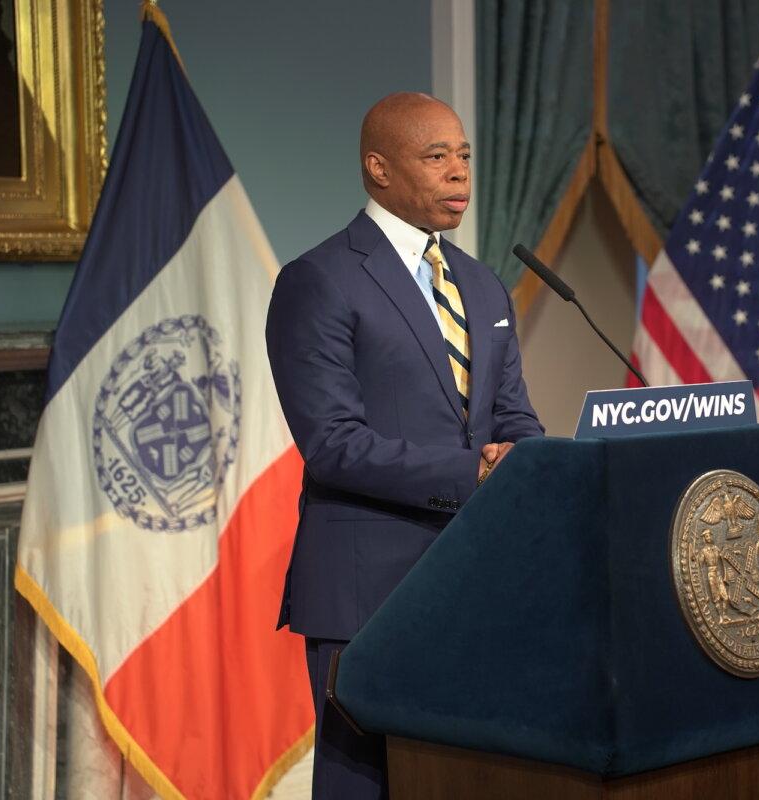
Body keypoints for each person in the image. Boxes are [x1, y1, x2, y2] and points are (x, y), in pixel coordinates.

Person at [265, 92, 544, 799]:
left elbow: (513, 419)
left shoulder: (482, 286)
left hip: (474, 582)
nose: (459, 172)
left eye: (465, 155)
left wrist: (535, 464)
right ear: (378, 169)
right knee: (370, 787)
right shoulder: (319, 280)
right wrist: (472, 472)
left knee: (470, 776)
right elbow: (331, 443)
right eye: (436, 156)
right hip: (367, 592)